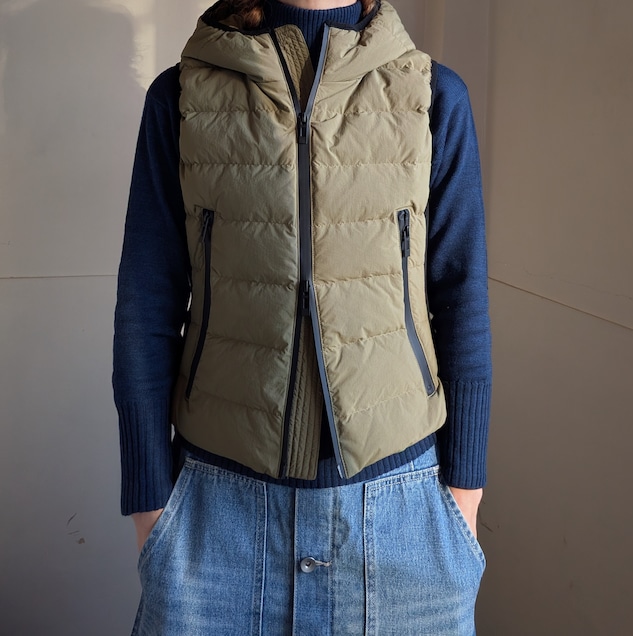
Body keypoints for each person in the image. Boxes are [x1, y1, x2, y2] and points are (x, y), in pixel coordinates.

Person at [113, 0, 492, 633]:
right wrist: (150, 503)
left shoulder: (433, 94)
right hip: (215, 513)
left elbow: (461, 300)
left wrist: (464, 498)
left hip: (402, 513)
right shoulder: (180, 97)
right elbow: (147, 302)